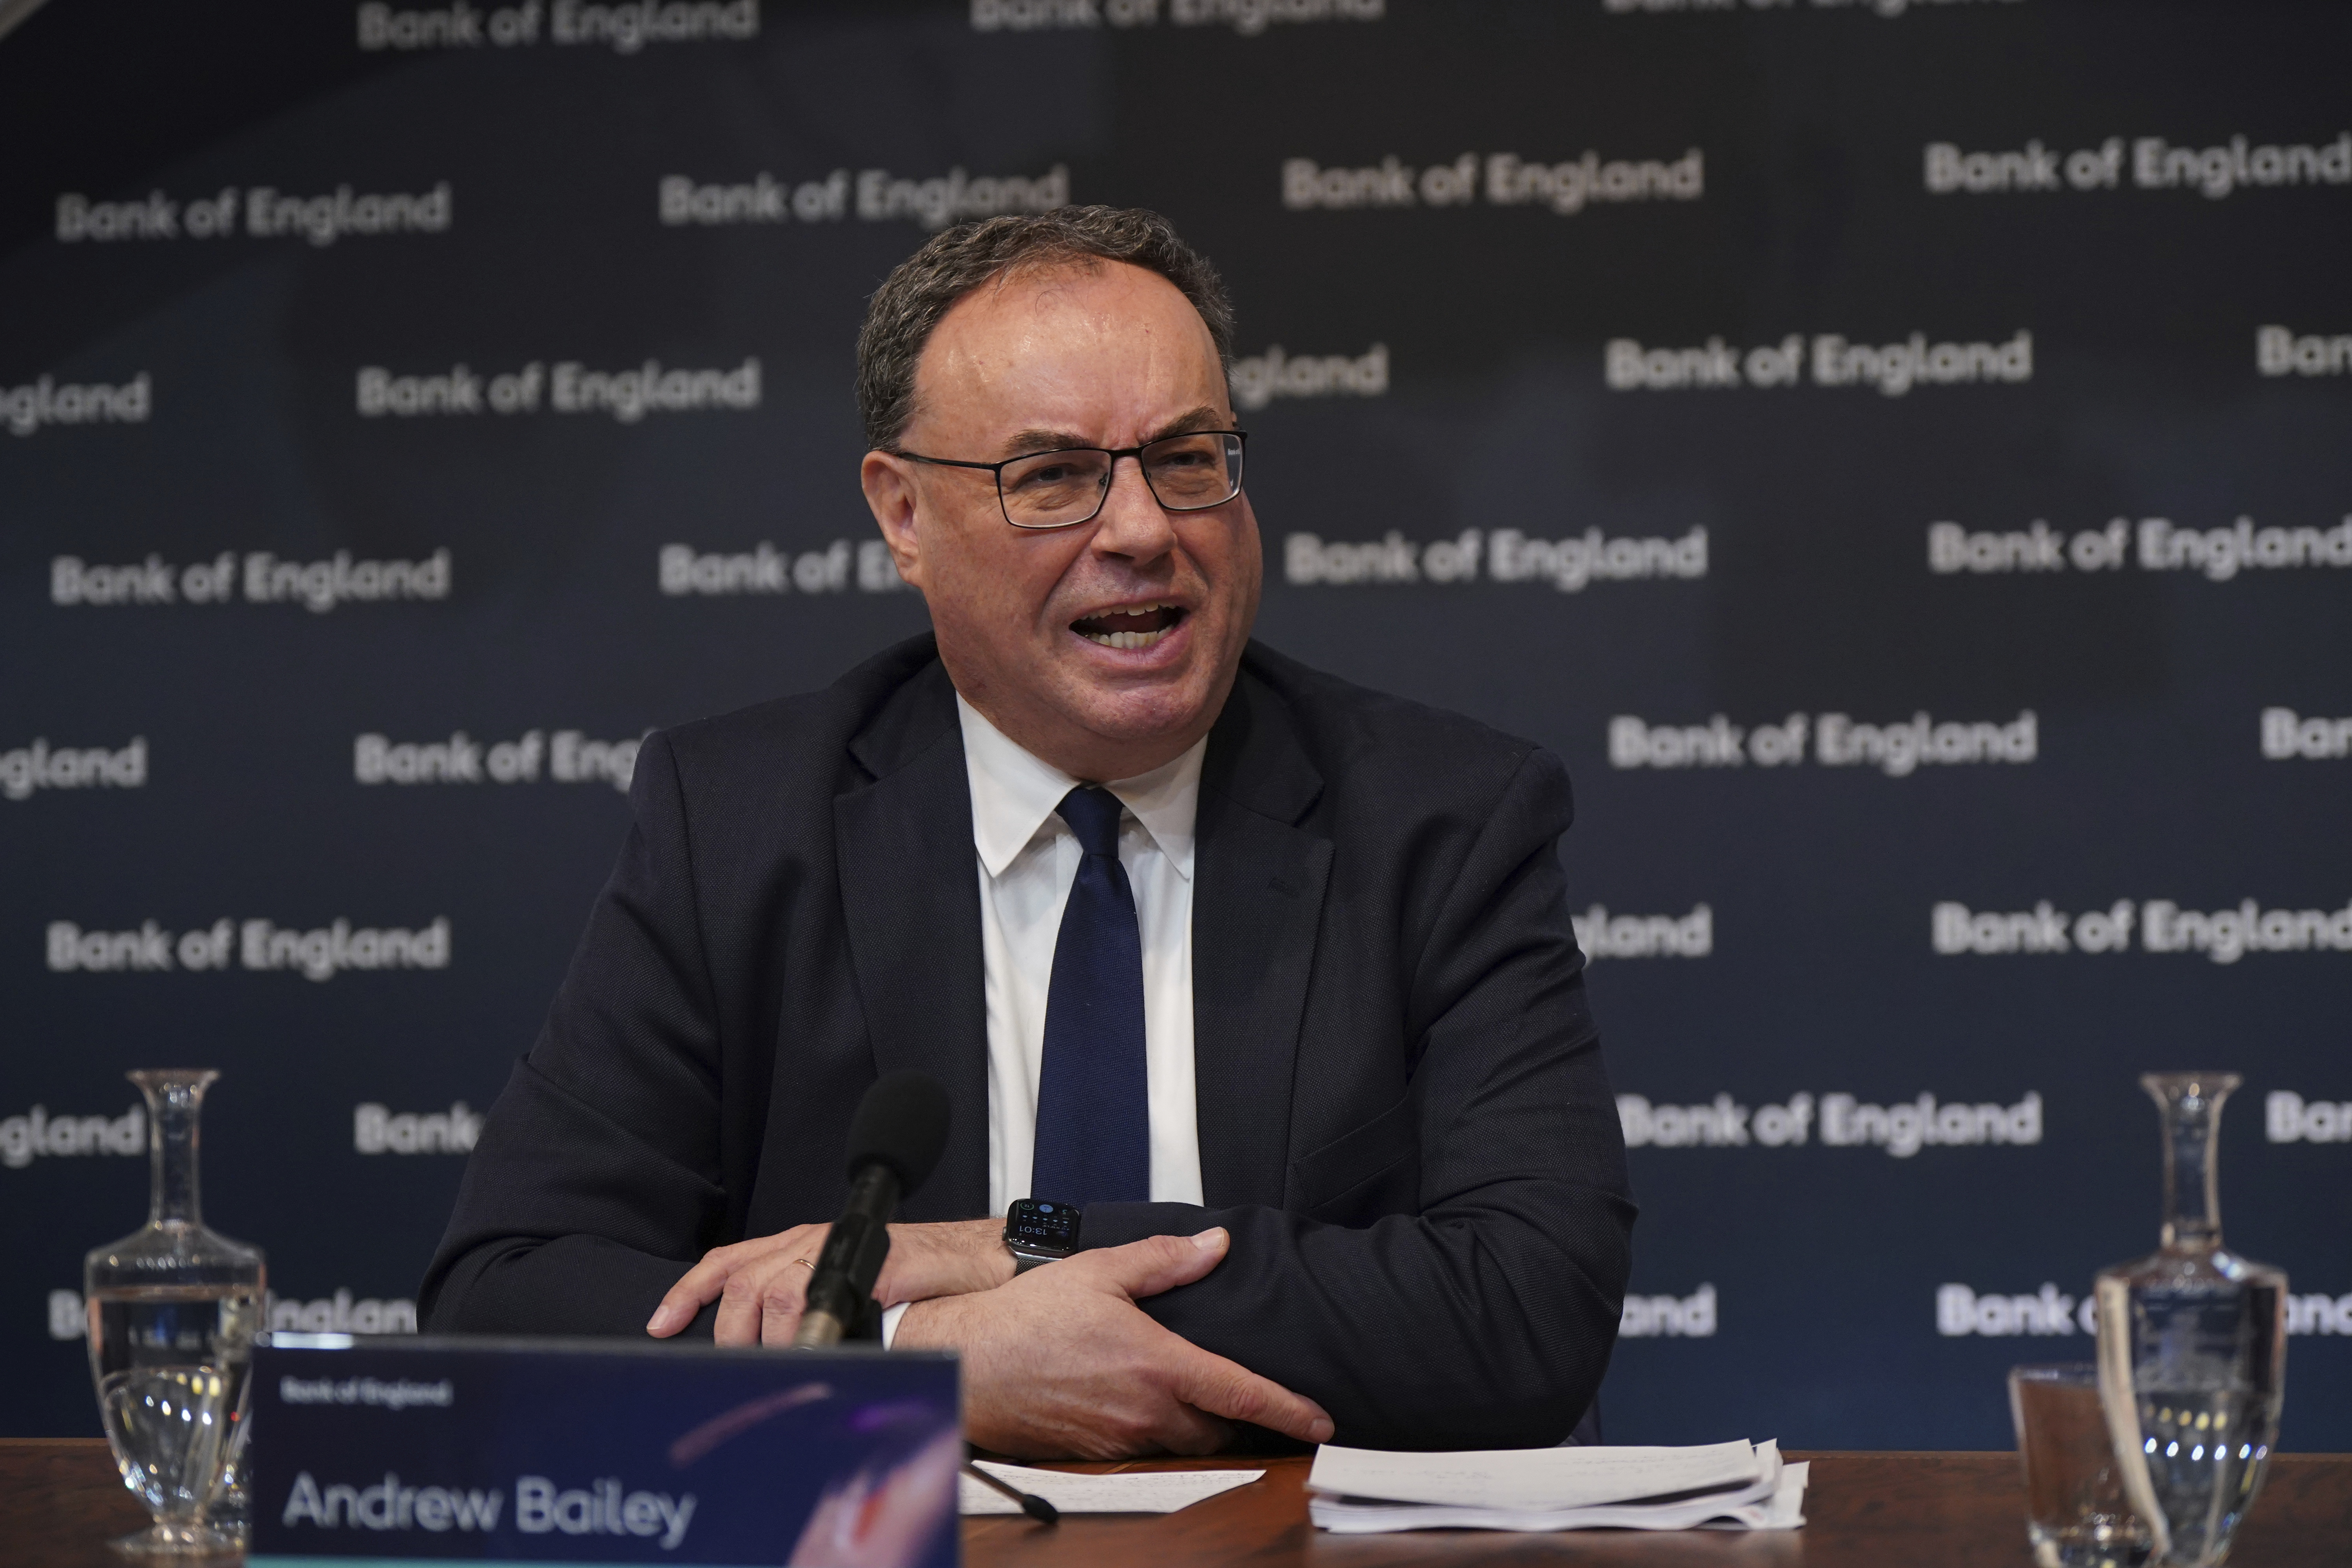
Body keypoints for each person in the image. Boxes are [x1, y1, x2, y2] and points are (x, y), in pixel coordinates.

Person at [420, 206, 1633, 1458]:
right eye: (1052, 476)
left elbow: (1530, 1308)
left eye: (1187, 456)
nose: (1144, 528)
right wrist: (914, 1363)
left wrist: (1018, 1248)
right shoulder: (737, 823)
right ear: (902, 517)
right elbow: (503, 1305)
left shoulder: (1441, 822)